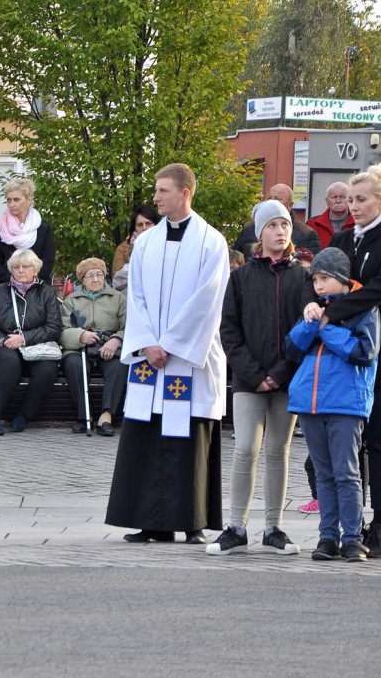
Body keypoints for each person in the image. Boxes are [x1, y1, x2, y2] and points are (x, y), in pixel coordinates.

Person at [105, 163, 229, 545]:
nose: (155, 197)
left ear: (184, 193)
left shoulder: (212, 242)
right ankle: (150, 521)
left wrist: (172, 346)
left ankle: (191, 521)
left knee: (186, 438)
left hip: (188, 359)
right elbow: (135, 297)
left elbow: (208, 302)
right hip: (151, 359)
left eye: (162, 191)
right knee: (148, 434)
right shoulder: (146, 243)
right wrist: (147, 343)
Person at [314, 163, 381, 557]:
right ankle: (342, 525)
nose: (352, 206)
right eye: (350, 199)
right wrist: (319, 307)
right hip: (343, 356)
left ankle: (379, 522)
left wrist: (331, 312)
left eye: (361, 199)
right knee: (344, 445)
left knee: (380, 441)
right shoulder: (341, 239)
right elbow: (322, 283)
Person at [208, 200, 310, 556]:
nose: (280, 232)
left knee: (278, 451)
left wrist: (280, 373)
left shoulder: (302, 276)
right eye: (272, 226)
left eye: (285, 225)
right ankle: (236, 526)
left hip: (287, 379)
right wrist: (253, 374)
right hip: (250, 381)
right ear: (259, 232)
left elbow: (306, 329)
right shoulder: (241, 277)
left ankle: (274, 527)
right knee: (245, 448)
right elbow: (229, 330)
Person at [286, 248, 380, 563]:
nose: (319, 285)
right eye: (315, 280)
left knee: (346, 474)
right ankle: (328, 538)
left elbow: (364, 352)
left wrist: (327, 328)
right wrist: (310, 322)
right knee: (323, 475)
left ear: (341, 278)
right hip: (310, 404)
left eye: (324, 278)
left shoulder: (364, 306)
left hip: (346, 404)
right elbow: (292, 348)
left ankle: (353, 539)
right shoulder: (316, 308)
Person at [0, 247, 62, 435]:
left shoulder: (46, 292)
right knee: (9, 362)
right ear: (11, 270)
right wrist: (2, 339)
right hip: (5, 346)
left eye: (26, 266)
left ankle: (24, 415)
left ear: (36, 269)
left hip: (37, 346)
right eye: (17, 267)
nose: (21, 270)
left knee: (48, 369)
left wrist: (25, 339)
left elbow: (54, 327)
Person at [60, 257, 126, 436]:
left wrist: (116, 340)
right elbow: (62, 330)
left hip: (108, 345)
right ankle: (84, 416)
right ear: (82, 279)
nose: (95, 279)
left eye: (99, 275)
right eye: (90, 276)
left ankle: (107, 416)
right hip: (79, 348)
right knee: (74, 365)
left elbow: (128, 326)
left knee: (119, 366)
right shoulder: (71, 300)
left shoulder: (118, 298)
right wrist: (80, 336)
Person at [0, 178, 56, 286]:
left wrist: (33, 281)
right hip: (8, 287)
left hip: (39, 287)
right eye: (9, 200)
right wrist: (12, 282)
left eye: (16, 199)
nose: (11, 204)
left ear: (28, 200)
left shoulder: (43, 227)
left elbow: (48, 260)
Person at [233, 183, 321, 258]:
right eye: (269, 198)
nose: (272, 202)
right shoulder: (249, 227)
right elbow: (236, 258)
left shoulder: (306, 233)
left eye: (278, 199)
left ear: (290, 205)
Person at [112, 205, 157, 277]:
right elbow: (117, 280)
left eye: (148, 223)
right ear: (134, 227)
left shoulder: (165, 245)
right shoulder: (123, 248)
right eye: (140, 225)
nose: (144, 228)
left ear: (156, 225)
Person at [307, 181, 355, 248]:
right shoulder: (313, 224)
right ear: (327, 201)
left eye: (343, 197)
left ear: (350, 200)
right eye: (334, 197)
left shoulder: (359, 223)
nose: (338, 201)